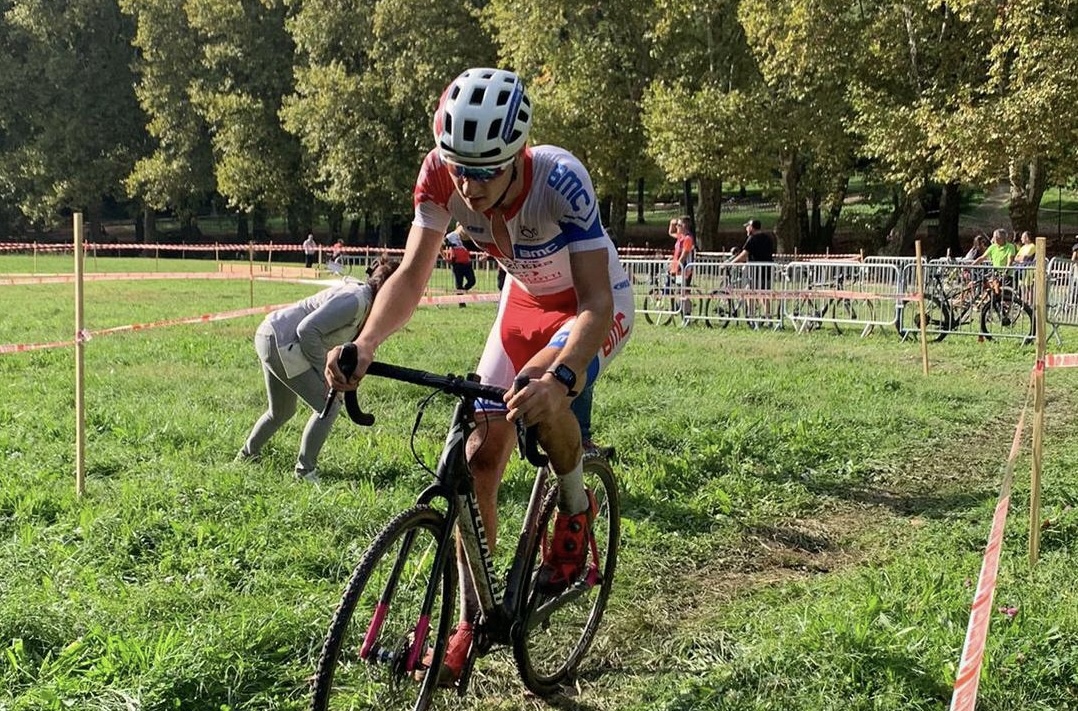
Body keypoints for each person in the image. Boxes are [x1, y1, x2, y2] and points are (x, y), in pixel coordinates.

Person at [324, 67, 634, 685]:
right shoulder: (441, 175)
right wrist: (363, 343)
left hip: (588, 306)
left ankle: (575, 508)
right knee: (479, 456)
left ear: (519, 152)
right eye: (460, 166)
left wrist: (562, 379)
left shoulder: (561, 180)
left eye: (487, 169)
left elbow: (597, 304)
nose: (471, 182)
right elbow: (412, 275)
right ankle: (473, 619)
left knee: (544, 407)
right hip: (522, 303)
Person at [237, 261, 399, 482]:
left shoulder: (364, 301)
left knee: (281, 411)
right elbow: (307, 331)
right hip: (282, 341)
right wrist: (325, 372)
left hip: (273, 336)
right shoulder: (357, 300)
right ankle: (305, 472)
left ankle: (246, 456)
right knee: (329, 406)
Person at [730, 218, 775, 318]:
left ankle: (751, 315)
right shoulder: (768, 238)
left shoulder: (752, 239)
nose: (746, 229)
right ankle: (768, 316)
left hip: (755, 272)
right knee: (764, 294)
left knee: (749, 293)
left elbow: (744, 254)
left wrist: (731, 263)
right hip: (767, 271)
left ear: (752, 227)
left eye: (747, 227)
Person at [442, 225, 477, 306]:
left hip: (467, 262)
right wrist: (444, 256)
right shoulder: (450, 236)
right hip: (457, 263)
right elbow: (440, 244)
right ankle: (461, 302)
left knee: (472, 281)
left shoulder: (469, 235)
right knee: (459, 284)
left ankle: (462, 292)